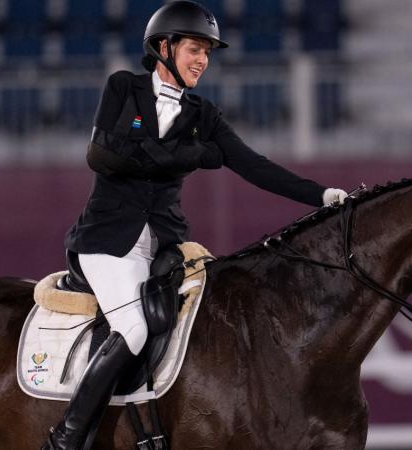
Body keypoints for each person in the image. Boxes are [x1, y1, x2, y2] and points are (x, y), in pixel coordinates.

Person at [44, 1, 348, 448]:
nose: (203, 61)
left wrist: (322, 197)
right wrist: (193, 155)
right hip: (109, 241)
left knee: (195, 324)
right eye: (194, 49)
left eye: (207, 52)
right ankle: (66, 438)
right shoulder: (123, 88)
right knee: (133, 329)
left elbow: (254, 166)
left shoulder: (203, 116)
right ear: (164, 47)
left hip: (165, 244)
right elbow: (102, 157)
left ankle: (152, 426)